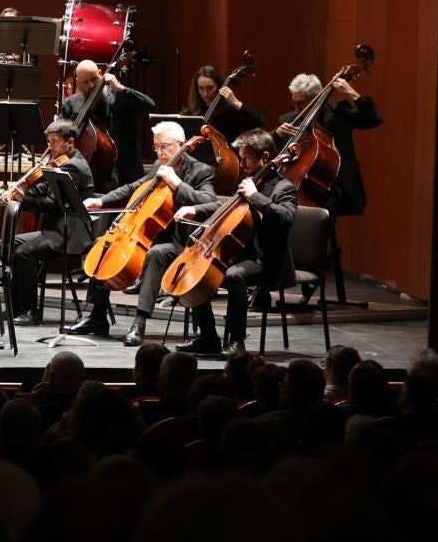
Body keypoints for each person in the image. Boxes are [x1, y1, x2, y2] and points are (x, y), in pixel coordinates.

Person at [65, 120, 217, 345]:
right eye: (156, 147)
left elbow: (211, 202)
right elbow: (133, 187)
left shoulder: (199, 171)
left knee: (156, 254)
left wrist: (179, 187)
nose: (160, 152)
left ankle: (139, 323)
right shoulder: (158, 166)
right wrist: (102, 201)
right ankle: (97, 318)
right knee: (104, 244)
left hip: (182, 241)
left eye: (165, 146)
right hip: (152, 232)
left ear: (181, 144)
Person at [175, 129, 297, 354]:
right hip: (242, 254)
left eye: (246, 158)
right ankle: (208, 337)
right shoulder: (251, 181)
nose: (241, 164)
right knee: (199, 271)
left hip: (268, 259)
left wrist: (255, 196)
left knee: (234, 276)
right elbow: (224, 205)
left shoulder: (283, 188)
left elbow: (286, 218)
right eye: (240, 157)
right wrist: (195, 208)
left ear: (265, 158)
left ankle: (236, 341)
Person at [5, 119, 95, 325]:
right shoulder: (60, 162)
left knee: (24, 253)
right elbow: (42, 190)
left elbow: (53, 205)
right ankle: (16, 306)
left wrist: (24, 200)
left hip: (69, 233)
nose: (49, 147)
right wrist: (20, 189)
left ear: (69, 142)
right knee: (9, 244)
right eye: (49, 141)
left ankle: (30, 310)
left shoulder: (75, 167)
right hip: (54, 229)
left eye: (54, 142)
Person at [275, 72, 382, 217]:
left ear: (317, 98)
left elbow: (374, 119)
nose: (296, 109)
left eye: (300, 103)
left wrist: (352, 93)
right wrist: (276, 134)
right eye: (293, 103)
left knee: (317, 216)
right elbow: (264, 145)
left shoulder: (339, 113)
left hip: (338, 188)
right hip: (301, 188)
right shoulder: (290, 121)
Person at [57, 59, 156, 189]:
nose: (91, 85)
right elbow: (58, 132)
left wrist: (120, 88)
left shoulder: (119, 96)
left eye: (94, 79)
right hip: (89, 171)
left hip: (124, 171)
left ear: (101, 73)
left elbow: (149, 105)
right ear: (78, 82)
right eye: (85, 82)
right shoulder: (71, 104)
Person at [187, 64, 262, 168]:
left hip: (226, 165)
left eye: (210, 88)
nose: (205, 94)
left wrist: (236, 103)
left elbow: (260, 123)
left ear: (219, 87)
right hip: (196, 165)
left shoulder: (230, 112)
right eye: (201, 88)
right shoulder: (191, 112)